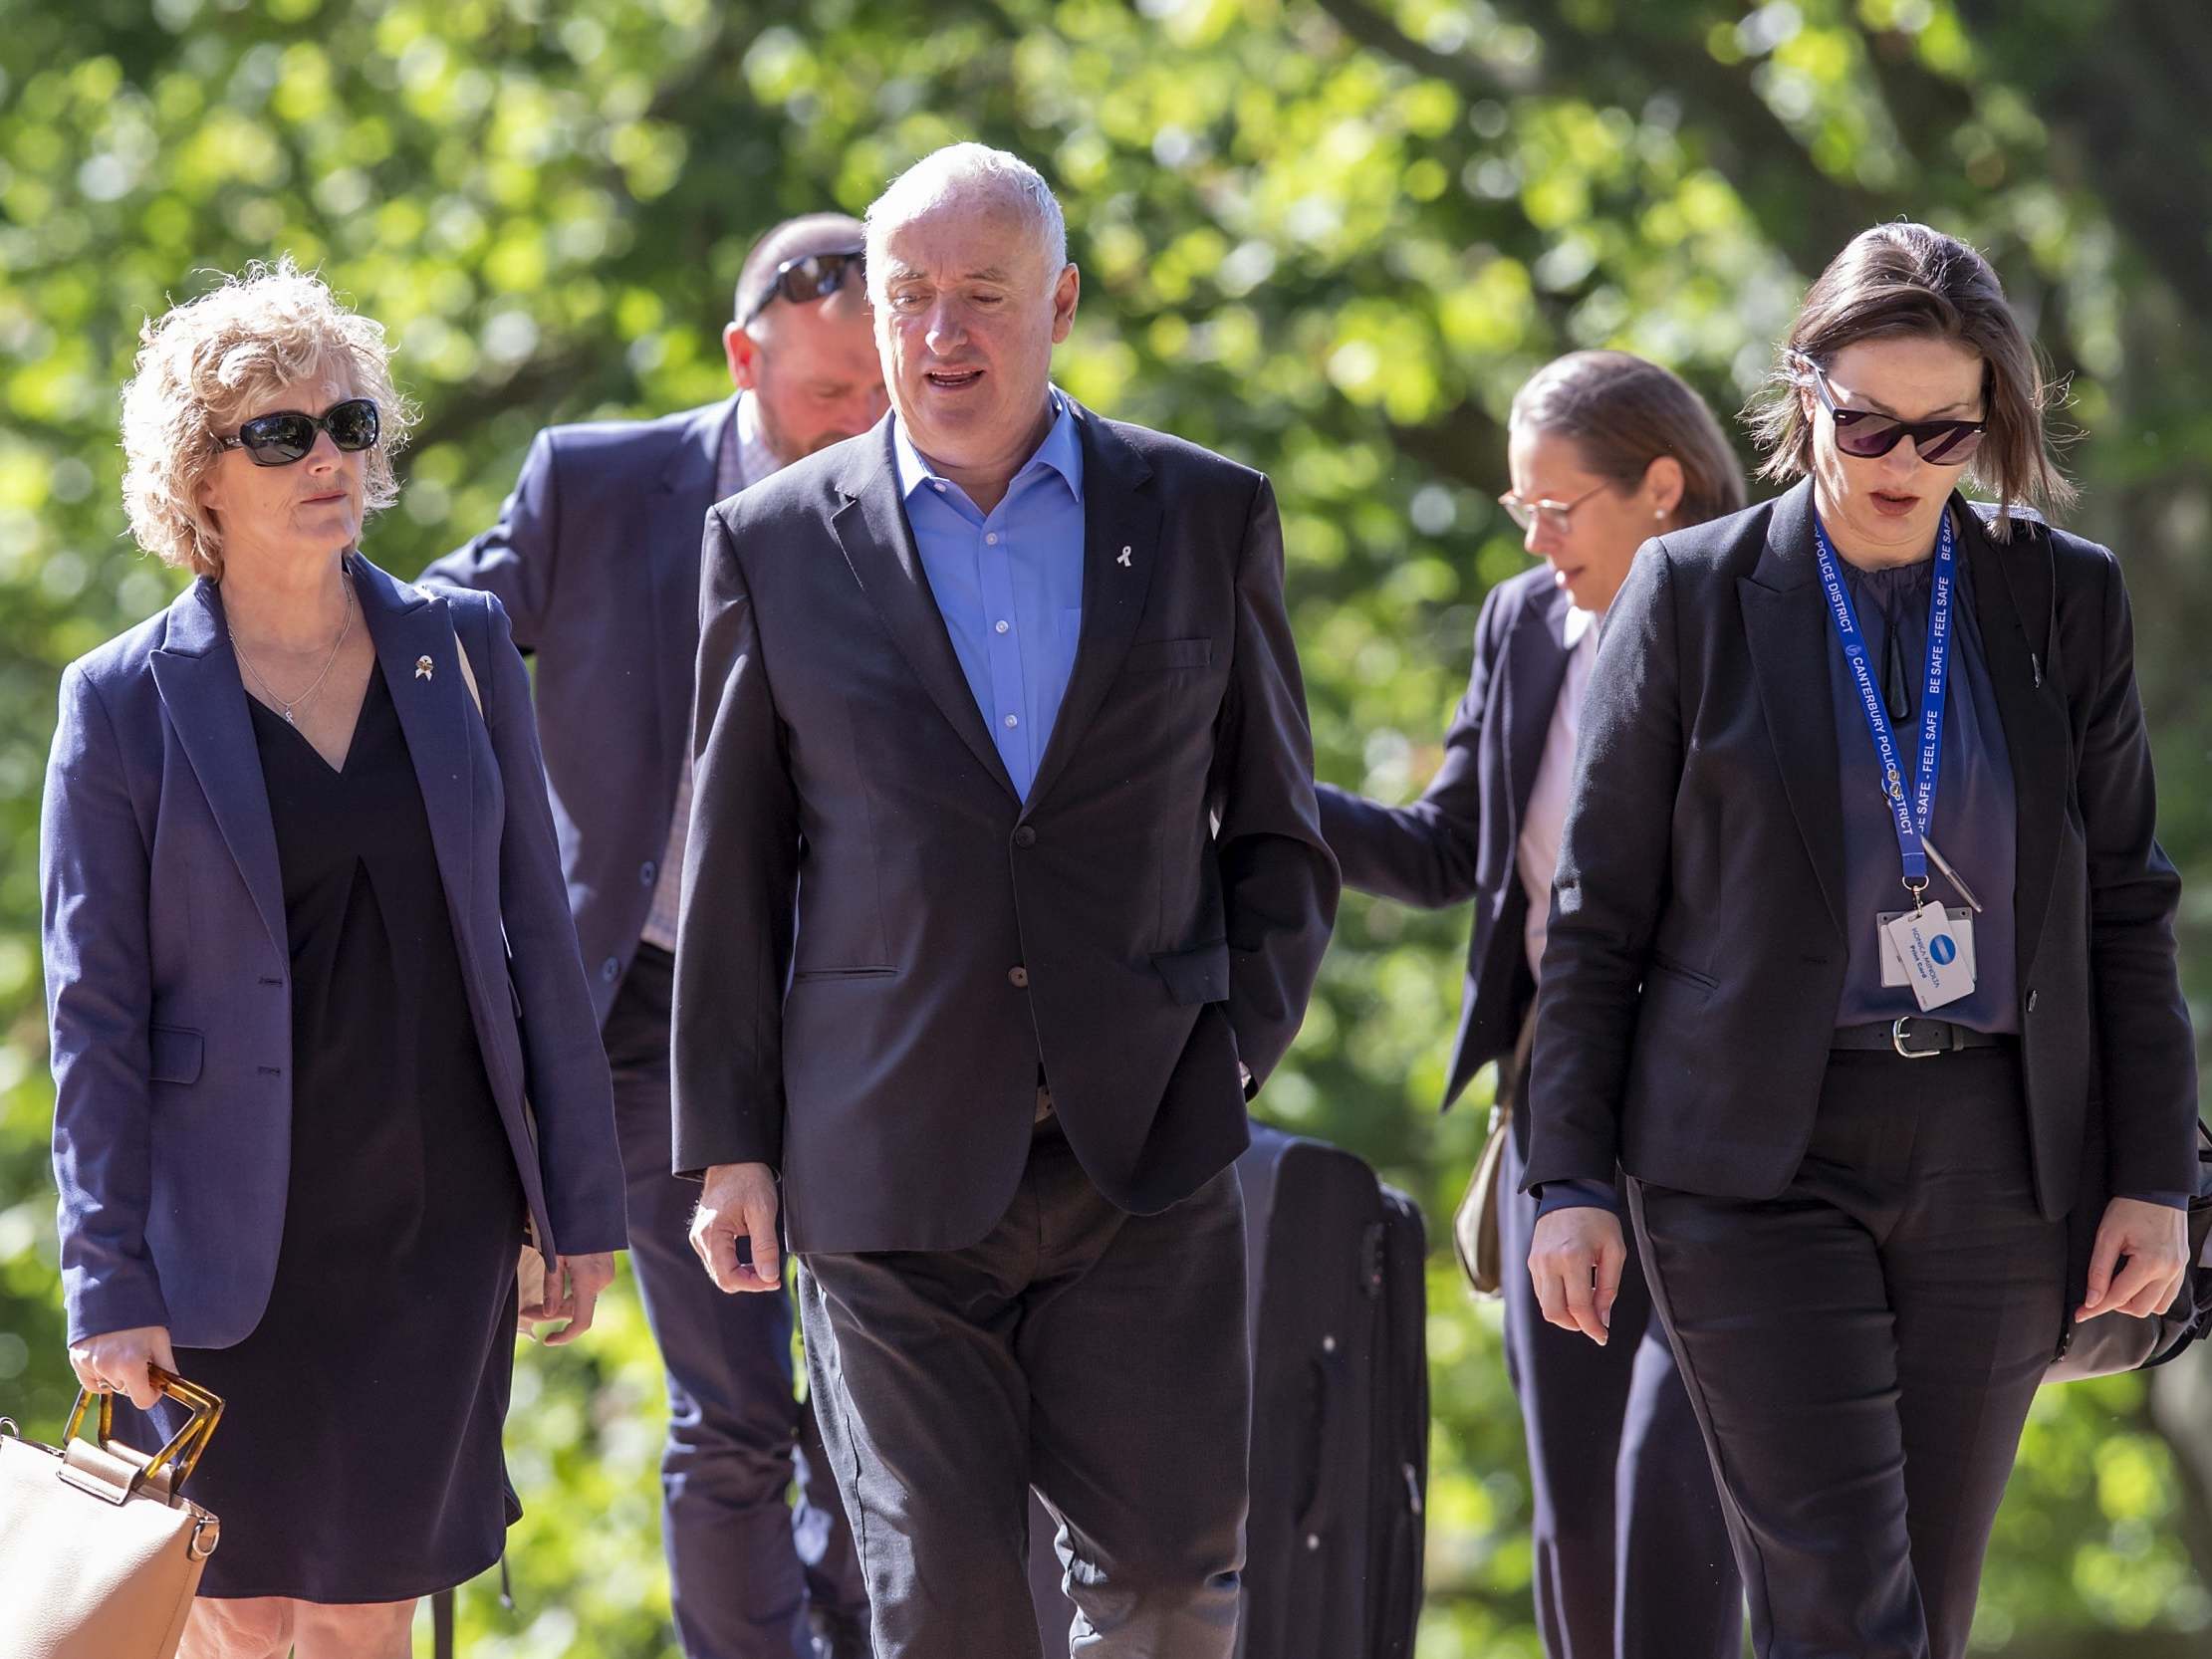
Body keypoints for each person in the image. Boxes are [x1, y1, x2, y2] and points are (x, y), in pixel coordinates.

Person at [671, 143, 1340, 1659]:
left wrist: (1227, 1048)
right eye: (907, 298)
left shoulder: (1199, 512)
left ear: (1063, 301)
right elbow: (733, 870)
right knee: (951, 1610)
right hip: (882, 1167)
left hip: (1141, 1155)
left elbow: (1279, 833)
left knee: (1172, 1584)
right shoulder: (772, 545)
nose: (940, 335)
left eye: (982, 295)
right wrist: (729, 1143)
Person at [1522, 224, 2199, 1659]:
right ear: (1804, 394)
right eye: (1868, 421)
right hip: (1748, 1159)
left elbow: (2127, 901)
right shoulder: (1691, 594)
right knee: (1841, 1605)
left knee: (1916, 1618)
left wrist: (2151, 1171)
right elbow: (1596, 916)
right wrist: (1565, 1175)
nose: (1902, 460)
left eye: (1944, 431)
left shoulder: (2058, 596)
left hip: (1998, 1155)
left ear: (1989, 426)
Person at [41, 260, 625, 1659]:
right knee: (237, 1620)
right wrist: (106, 1277)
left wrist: (578, 1199)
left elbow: (538, 935)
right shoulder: (122, 701)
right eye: (282, 432)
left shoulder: (463, 648)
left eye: (350, 423)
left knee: (366, 1617)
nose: (330, 459)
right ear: (200, 475)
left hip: (439, 1219)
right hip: (219, 1242)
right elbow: (95, 1011)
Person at [420, 214, 884, 1659]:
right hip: (639, 1010)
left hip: (857, 1010)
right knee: (735, 1407)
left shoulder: (932, 496)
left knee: (885, 1402)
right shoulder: (602, 482)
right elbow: (421, 634)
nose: (859, 423)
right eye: (827, 395)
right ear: (744, 355)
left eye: (880, 393)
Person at [1318, 351, 1746, 1659]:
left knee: (1687, 1508)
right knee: (1575, 1519)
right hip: (1550, 1114)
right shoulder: (1522, 622)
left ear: (1660, 488)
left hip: (1723, 1116)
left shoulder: (1761, 623)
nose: (1536, 538)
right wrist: (1248, 789)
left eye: (1559, 507)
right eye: (1519, 510)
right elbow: (1451, 848)